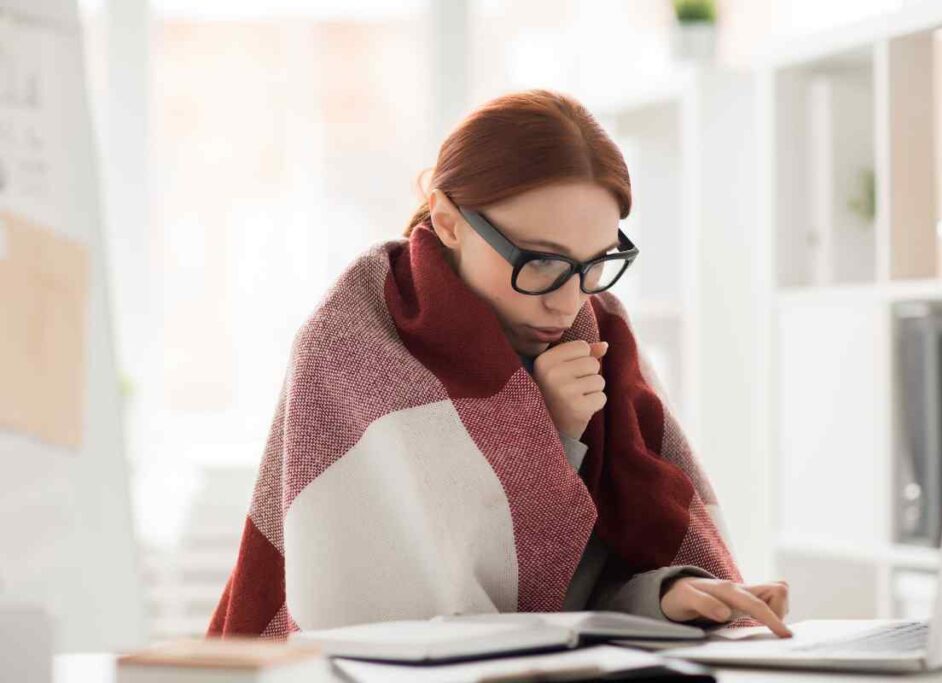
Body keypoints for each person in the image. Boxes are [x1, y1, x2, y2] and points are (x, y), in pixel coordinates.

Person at [208, 89, 791, 640]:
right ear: (448, 220)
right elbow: (424, 609)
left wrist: (669, 595)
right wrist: (549, 431)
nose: (568, 301)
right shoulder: (354, 343)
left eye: (595, 264)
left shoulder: (602, 333)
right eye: (541, 262)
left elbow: (573, 599)